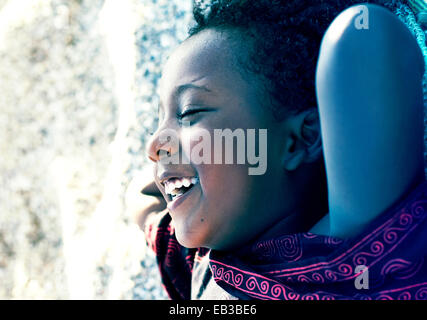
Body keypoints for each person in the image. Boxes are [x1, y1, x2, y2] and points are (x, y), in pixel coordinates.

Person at [136, 0, 427, 299]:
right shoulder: (199, 259)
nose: (153, 144)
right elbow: (143, 201)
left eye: (189, 112)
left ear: (301, 139)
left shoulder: (359, 259)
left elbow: (365, 33)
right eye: (160, 121)